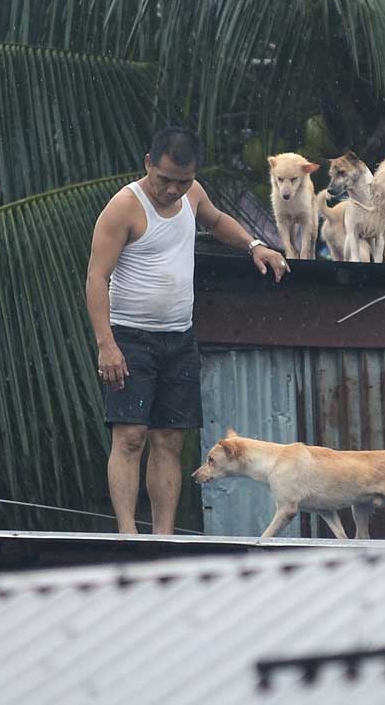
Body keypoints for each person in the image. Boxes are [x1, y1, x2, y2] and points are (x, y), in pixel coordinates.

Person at [85, 126, 288, 534]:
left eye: (183, 181)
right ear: (148, 164)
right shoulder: (124, 207)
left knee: (170, 441)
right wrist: (106, 343)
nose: (173, 191)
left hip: (178, 337)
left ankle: (163, 536)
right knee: (130, 437)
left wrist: (255, 246)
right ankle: (128, 533)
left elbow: (216, 221)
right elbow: (95, 277)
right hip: (129, 337)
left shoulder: (192, 195)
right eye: (165, 180)